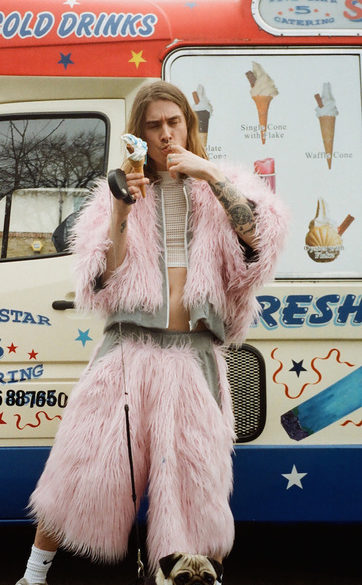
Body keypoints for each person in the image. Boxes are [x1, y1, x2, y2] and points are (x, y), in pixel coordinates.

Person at [16, 81, 289, 584]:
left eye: (173, 122)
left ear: (189, 124)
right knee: (82, 470)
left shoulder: (222, 185)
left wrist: (208, 173)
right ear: (139, 134)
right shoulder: (120, 191)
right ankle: (32, 576)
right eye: (154, 125)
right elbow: (101, 279)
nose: (165, 134)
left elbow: (259, 243)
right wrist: (121, 210)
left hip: (193, 357)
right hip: (127, 354)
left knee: (194, 484)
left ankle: (196, 576)